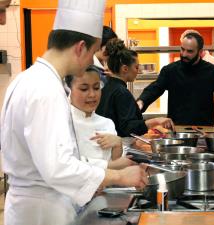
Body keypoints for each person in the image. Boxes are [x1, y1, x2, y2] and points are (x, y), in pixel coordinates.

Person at [0, 1, 147, 225]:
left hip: (30, 206)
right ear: (80, 48)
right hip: (43, 211)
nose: (93, 62)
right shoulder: (46, 89)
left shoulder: (27, 78)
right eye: (93, 55)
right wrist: (118, 176)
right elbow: (58, 167)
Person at [137, 32, 214, 126]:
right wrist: (141, 101)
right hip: (176, 130)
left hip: (204, 130)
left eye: (189, 51)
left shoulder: (213, 72)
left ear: (200, 52)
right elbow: (155, 88)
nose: (184, 54)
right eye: (182, 49)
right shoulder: (170, 70)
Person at [96, 38, 175, 137]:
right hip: (120, 145)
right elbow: (128, 128)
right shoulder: (121, 92)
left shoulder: (108, 87)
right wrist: (155, 121)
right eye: (136, 67)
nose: (137, 71)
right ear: (125, 69)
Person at [66, 65, 133, 170]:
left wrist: (117, 144)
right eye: (84, 89)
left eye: (97, 88)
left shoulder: (107, 123)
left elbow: (116, 169)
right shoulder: (62, 122)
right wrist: (110, 165)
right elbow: (65, 163)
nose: (92, 94)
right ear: (69, 89)